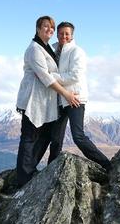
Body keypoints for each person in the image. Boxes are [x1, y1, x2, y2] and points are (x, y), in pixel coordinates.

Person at [15, 16, 80, 187]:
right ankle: (22, 177)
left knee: (43, 136)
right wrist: (67, 94)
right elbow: (45, 77)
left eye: (51, 28)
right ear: (37, 28)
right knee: (29, 137)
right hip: (32, 99)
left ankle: (30, 169)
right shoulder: (35, 49)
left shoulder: (46, 48)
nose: (49, 30)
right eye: (46, 27)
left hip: (43, 101)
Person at [49, 21, 112, 171]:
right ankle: (50, 170)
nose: (64, 36)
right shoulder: (53, 51)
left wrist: (51, 76)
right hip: (59, 99)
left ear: (72, 35)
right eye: (61, 33)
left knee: (78, 136)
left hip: (75, 98)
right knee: (56, 138)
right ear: (57, 34)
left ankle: (107, 165)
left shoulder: (77, 52)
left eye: (67, 33)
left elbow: (75, 75)